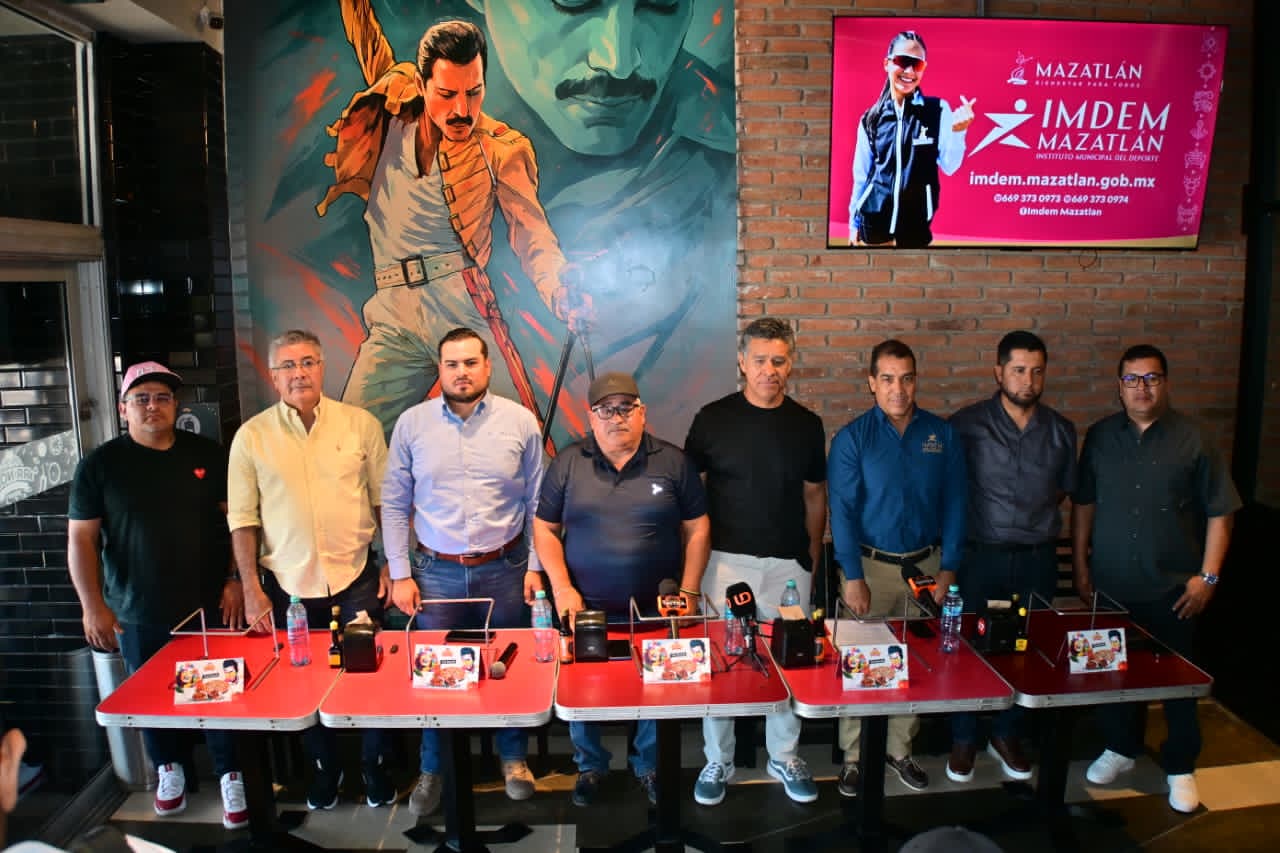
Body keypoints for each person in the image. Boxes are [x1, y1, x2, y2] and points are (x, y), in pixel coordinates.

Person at [318, 7, 587, 437]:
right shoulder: (392, 113)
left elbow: (531, 233)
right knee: (352, 442)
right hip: (393, 315)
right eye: (446, 94)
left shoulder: (499, 148)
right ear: (421, 85)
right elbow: (364, 33)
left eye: (473, 93)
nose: (462, 109)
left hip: (461, 309)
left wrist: (559, 290)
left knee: (516, 439)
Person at [66, 362, 247, 829]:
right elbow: (82, 539)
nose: (153, 406)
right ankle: (170, 768)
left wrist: (236, 579)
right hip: (136, 606)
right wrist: (93, 606)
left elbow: (237, 522)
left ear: (175, 405)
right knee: (152, 697)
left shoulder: (206, 454)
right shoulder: (99, 466)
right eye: (142, 398)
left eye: (162, 398)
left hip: (208, 603)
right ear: (123, 408)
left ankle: (231, 774)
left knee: (220, 692)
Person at [227, 330, 395, 810]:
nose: (298, 373)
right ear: (273, 375)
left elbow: (383, 501)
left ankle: (373, 766)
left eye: (307, 363)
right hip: (288, 588)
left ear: (322, 367)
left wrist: (393, 563)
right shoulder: (252, 437)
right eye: (287, 365)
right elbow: (243, 520)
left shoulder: (359, 425)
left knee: (366, 675)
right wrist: (251, 588)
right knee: (301, 681)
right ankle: (325, 769)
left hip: (356, 577)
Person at [382, 327, 544, 816]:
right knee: (435, 673)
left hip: (507, 568)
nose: (462, 372)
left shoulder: (521, 422)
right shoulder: (412, 424)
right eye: (452, 364)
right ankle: (434, 768)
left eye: (471, 362)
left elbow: (539, 503)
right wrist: (400, 572)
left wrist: (536, 566)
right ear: (440, 369)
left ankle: (513, 759)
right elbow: (394, 503)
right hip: (436, 573)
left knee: (509, 666)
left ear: (487, 366)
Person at [1072, 344, 1240, 814]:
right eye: (1132, 379)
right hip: (1111, 586)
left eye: (1151, 378)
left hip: (1174, 590)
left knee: (1178, 683)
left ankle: (1180, 765)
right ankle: (1120, 748)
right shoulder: (1101, 437)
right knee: (1112, 675)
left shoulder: (1194, 438)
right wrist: (1082, 567)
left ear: (1165, 383)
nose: (1141, 388)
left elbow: (1221, 512)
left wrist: (1208, 577)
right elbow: (1084, 504)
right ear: (1119, 386)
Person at [533, 372, 710, 807]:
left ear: (642, 412)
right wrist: (562, 588)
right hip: (586, 610)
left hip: (656, 610)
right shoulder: (568, 463)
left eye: (626, 408)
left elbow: (698, 527)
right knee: (581, 689)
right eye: (606, 410)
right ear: (591, 417)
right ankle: (590, 765)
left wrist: (689, 591)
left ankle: (647, 764)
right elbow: (544, 528)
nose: (617, 418)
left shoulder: (673, 461)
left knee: (657, 688)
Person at [683, 317, 826, 806]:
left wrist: (811, 558)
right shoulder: (712, 419)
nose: (770, 370)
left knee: (789, 661)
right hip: (725, 563)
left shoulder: (806, 425)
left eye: (779, 361)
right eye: (760, 360)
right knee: (720, 663)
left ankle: (783, 756)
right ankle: (717, 760)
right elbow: (692, 498)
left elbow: (814, 496)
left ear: (791, 363)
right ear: (742, 362)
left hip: (788, 566)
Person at [828, 339, 966, 796]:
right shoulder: (853, 439)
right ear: (872, 383)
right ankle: (853, 757)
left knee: (914, 663)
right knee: (859, 662)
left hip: (926, 569)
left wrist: (949, 567)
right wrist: (852, 576)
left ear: (915, 381)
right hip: (870, 569)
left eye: (906, 378)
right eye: (887, 379)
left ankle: (899, 750)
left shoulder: (940, 435)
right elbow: (842, 511)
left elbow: (956, 502)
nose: (898, 389)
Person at [946, 331, 1077, 784]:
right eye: (1019, 370)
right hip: (979, 557)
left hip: (1037, 558)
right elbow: (950, 489)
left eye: (1037, 371)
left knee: (1027, 648)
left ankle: (1007, 734)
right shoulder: (965, 425)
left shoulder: (1061, 430)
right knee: (967, 648)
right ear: (998, 372)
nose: (1028, 380)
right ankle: (963, 736)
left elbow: (1063, 490)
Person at [848, 30, 975, 248]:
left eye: (917, 64)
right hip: (874, 220)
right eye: (902, 61)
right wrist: (853, 222)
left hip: (916, 223)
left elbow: (950, 166)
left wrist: (958, 132)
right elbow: (861, 175)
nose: (909, 71)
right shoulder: (871, 118)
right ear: (887, 63)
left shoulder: (937, 110)